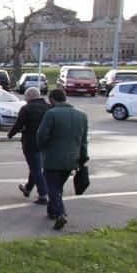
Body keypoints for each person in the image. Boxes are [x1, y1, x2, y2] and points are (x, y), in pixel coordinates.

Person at [36, 88, 88, 230]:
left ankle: (60, 214)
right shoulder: (82, 115)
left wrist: (41, 147)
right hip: (72, 159)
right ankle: (51, 211)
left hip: (52, 158)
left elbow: (41, 135)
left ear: (52, 100)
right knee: (58, 186)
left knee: (52, 186)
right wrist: (83, 158)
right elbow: (83, 141)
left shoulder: (51, 113)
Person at [7, 86, 50, 204]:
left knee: (36, 169)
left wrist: (10, 134)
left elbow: (18, 124)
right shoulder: (48, 107)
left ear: (30, 96)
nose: (25, 99)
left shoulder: (27, 108)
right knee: (36, 167)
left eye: (26, 97)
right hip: (45, 143)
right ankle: (28, 188)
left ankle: (43, 195)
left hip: (30, 142)